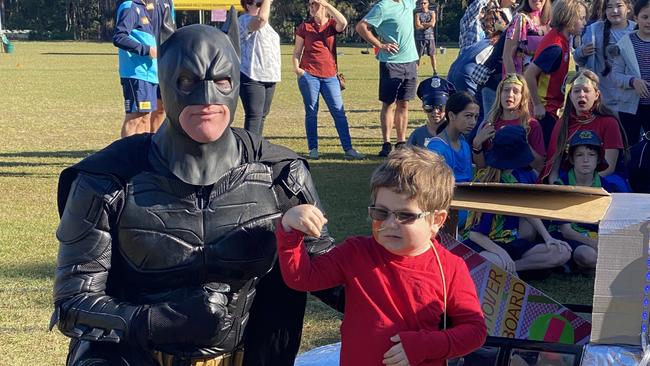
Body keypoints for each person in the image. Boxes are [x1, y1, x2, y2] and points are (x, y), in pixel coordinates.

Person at [51, 22, 341, 366]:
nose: (207, 99)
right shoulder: (107, 180)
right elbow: (73, 303)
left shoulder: (281, 175)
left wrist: (406, 287)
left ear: (236, 82)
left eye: (221, 81)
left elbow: (326, 270)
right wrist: (158, 320)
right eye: (187, 81)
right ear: (165, 83)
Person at [276, 146, 487, 366]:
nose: (389, 224)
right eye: (380, 212)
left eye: (405, 215)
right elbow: (302, 278)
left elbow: (474, 331)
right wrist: (290, 230)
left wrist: (423, 345)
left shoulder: (450, 268)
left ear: (436, 220)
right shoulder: (355, 252)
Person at [464, 125, 572, 276]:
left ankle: (512, 269)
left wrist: (548, 238)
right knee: (497, 261)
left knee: (562, 252)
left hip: (511, 242)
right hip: (484, 246)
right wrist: (502, 253)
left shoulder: (516, 177)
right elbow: (474, 235)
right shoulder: (485, 184)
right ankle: (508, 268)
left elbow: (526, 209)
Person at [293, 0, 364, 160]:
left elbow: (344, 22)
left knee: (339, 112)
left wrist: (326, 4)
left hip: (330, 76)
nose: (312, 7)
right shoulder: (305, 26)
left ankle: (348, 149)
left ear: (324, 7)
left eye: (315, 4)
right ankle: (313, 149)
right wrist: (298, 70)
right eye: (310, 4)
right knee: (311, 112)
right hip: (309, 75)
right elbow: (297, 52)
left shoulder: (332, 24)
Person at [551, 130, 628, 270]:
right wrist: (594, 243)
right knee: (587, 256)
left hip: (598, 236)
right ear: (572, 159)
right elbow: (566, 231)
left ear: (598, 159)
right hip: (571, 237)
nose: (586, 160)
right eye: (580, 155)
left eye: (591, 155)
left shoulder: (607, 187)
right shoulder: (561, 186)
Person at [540, 70, 627, 186]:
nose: (581, 94)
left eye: (586, 90)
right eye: (576, 91)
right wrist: (558, 187)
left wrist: (584, 186)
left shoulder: (609, 123)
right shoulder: (562, 124)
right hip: (568, 182)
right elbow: (553, 170)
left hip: (602, 182)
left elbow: (609, 168)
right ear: (570, 96)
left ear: (596, 95)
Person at [356, 0, 419, 157]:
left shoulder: (408, 2)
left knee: (404, 103)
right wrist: (380, 45)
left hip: (410, 61)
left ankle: (401, 142)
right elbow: (361, 27)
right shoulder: (382, 6)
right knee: (389, 103)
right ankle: (386, 143)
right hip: (391, 63)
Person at [524, 0, 588, 147]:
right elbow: (529, 74)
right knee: (546, 152)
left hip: (551, 109)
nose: (585, 22)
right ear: (569, 18)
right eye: (581, 18)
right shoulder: (556, 47)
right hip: (543, 111)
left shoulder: (562, 40)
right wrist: (538, 104)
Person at [113, 0, 173, 138]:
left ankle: (151, 151)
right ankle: (129, 156)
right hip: (137, 72)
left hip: (158, 71)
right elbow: (119, 37)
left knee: (159, 112)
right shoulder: (130, 6)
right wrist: (146, 50)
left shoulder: (163, 3)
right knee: (138, 117)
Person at [473, 73, 546, 171]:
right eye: (506, 90)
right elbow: (481, 168)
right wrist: (477, 145)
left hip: (521, 181)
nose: (510, 94)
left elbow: (540, 166)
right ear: (500, 94)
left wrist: (522, 145)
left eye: (516, 91)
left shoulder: (531, 125)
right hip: (495, 181)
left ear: (522, 97)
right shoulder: (490, 126)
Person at [573, 0, 635, 113]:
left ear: (628, 8)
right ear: (605, 10)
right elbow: (579, 60)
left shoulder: (636, 30)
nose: (614, 10)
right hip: (603, 96)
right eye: (609, 7)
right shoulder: (594, 30)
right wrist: (581, 52)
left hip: (630, 97)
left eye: (619, 6)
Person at [238, 0, 281, 136]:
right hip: (251, 75)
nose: (263, 6)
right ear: (248, 5)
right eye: (259, 4)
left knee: (262, 116)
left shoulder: (268, 26)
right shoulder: (244, 20)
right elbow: (261, 19)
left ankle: (255, 149)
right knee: (254, 116)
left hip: (269, 76)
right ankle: (248, 153)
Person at [610, 0, 650, 145]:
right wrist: (633, 81)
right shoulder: (625, 44)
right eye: (645, 17)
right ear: (636, 18)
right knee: (630, 145)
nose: (649, 22)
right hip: (630, 107)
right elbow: (616, 75)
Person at [427, 91, 479, 183]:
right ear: (451, 115)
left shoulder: (464, 145)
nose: (473, 122)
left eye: (475, 117)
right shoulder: (436, 148)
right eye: (468, 116)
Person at [502, 0, 551, 76]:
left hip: (543, 82)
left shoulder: (550, 22)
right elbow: (507, 55)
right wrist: (514, 81)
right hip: (522, 80)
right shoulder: (520, 19)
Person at [407, 75, 456, 147]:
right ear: (423, 108)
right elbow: (406, 155)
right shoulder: (417, 134)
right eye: (429, 107)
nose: (435, 111)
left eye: (440, 107)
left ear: (447, 109)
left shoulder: (455, 133)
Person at [414, 0, 437, 74]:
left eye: (424, 3)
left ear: (428, 4)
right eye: (421, 3)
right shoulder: (418, 14)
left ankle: (435, 71)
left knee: (432, 55)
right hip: (419, 38)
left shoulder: (432, 13)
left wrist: (423, 24)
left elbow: (432, 24)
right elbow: (417, 26)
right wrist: (428, 24)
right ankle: (415, 72)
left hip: (430, 37)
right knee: (418, 56)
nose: (423, 4)